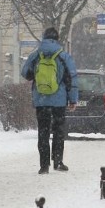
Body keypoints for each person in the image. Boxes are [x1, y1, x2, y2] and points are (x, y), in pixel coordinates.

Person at [21, 27, 78, 174]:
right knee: (59, 131)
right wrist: (72, 99)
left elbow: (25, 73)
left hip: (41, 99)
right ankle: (58, 162)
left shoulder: (36, 55)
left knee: (43, 132)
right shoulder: (63, 56)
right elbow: (72, 78)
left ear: (44, 38)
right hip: (59, 101)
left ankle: (44, 165)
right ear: (57, 38)